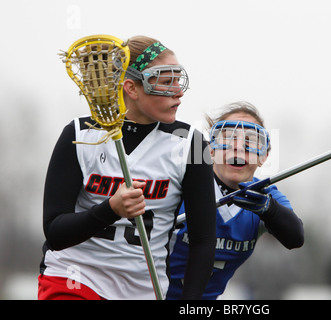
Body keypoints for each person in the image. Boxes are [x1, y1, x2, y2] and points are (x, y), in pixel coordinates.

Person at [38, 35, 217, 300]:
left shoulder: (194, 143)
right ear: (131, 88)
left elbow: (203, 241)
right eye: (166, 83)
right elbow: (55, 232)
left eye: (178, 81)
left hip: (144, 289)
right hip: (75, 277)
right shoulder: (78, 134)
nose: (178, 92)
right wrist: (110, 209)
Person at [166, 101, 305, 300]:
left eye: (251, 141)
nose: (238, 148)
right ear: (211, 150)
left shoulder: (265, 195)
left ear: (264, 156)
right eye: (228, 138)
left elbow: (295, 238)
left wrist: (269, 209)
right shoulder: (180, 184)